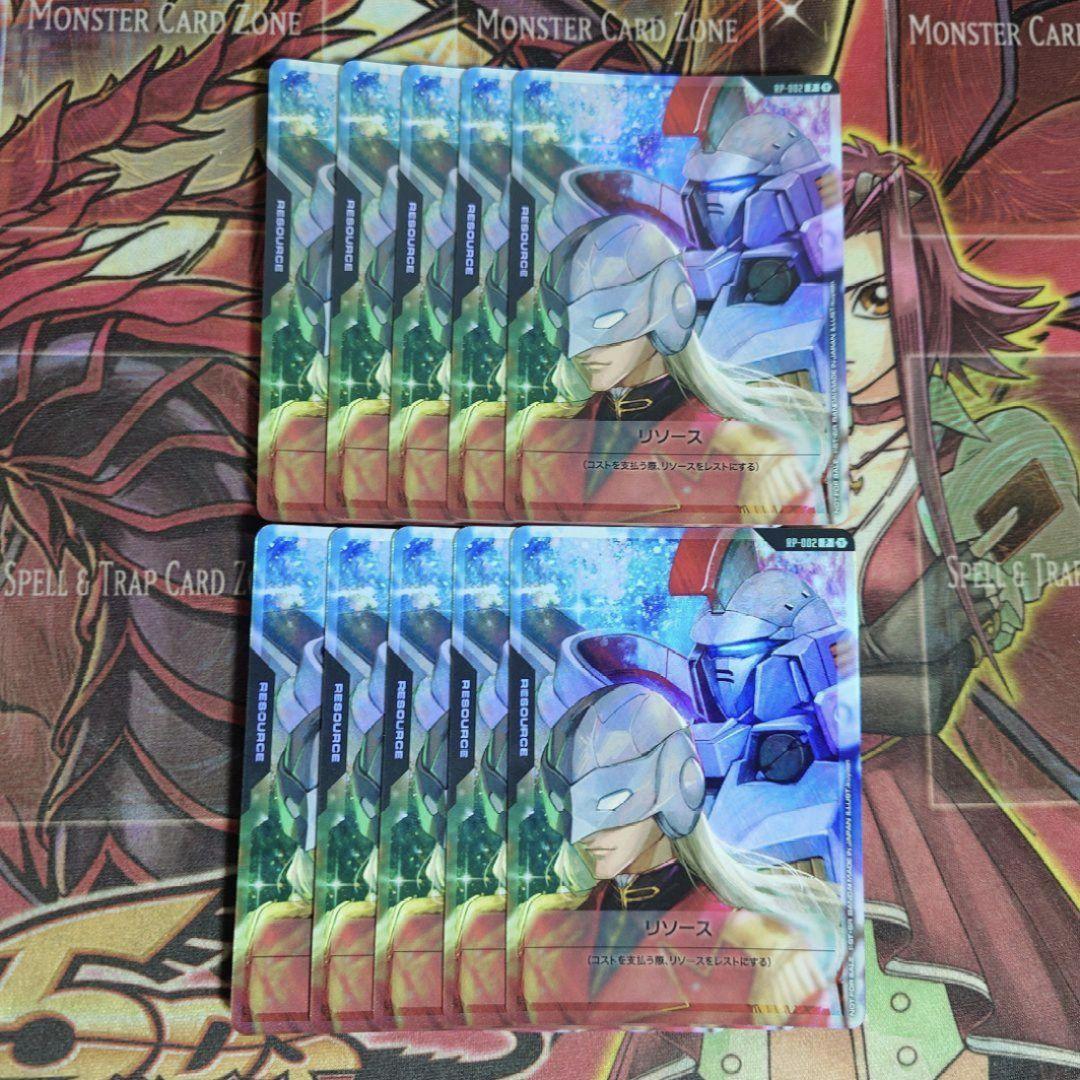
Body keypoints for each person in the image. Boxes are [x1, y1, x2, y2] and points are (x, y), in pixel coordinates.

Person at [513, 683, 849, 1028]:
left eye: (610, 802)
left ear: (678, 783)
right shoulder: (548, 933)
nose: (584, 833)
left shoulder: (762, 951)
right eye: (569, 809)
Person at [509, 214, 827, 524]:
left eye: (606, 321)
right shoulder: (543, 437)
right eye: (565, 328)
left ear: (673, 305)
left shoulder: (748, 459)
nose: (581, 349)